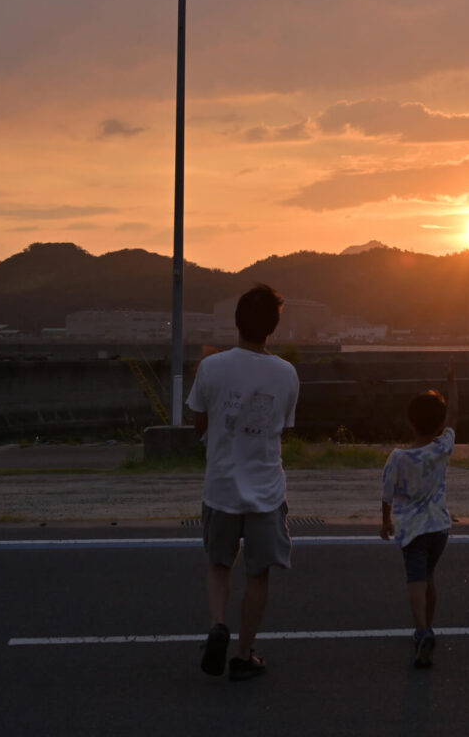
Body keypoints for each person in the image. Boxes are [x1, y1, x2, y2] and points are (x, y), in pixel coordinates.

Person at [185, 283, 299, 681]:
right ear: (273, 328)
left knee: (219, 564)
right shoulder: (286, 374)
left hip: (220, 486)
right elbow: (280, 428)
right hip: (266, 491)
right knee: (258, 572)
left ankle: (218, 624)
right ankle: (244, 654)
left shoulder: (211, 367)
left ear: (236, 321)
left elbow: (197, 421)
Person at [380, 363, 458, 668]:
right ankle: (426, 627)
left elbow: (387, 493)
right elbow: (454, 416)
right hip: (439, 528)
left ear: (410, 422)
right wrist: (453, 383)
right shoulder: (442, 448)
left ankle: (422, 630)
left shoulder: (399, 458)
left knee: (415, 578)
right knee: (429, 576)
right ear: (439, 426)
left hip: (412, 530)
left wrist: (385, 520)